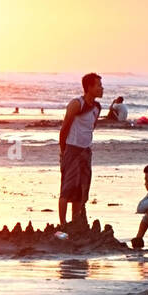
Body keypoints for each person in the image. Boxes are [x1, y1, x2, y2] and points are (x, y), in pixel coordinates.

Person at [57, 72, 103, 230]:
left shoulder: (97, 108)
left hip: (86, 151)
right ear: (89, 87)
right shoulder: (77, 104)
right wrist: (63, 152)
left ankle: (75, 223)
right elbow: (64, 129)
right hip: (72, 149)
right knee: (67, 189)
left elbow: (91, 128)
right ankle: (62, 225)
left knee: (81, 190)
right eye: (98, 85)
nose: (101, 88)